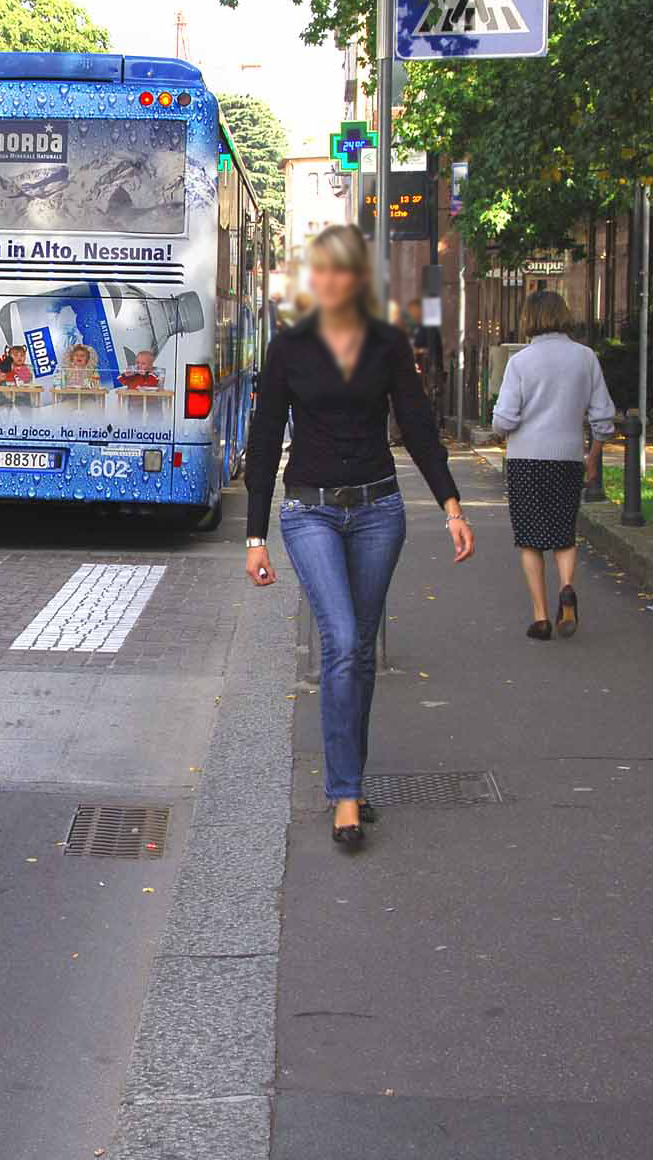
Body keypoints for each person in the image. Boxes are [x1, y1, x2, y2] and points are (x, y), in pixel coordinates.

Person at [245, 225, 475, 849]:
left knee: (361, 651)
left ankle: (354, 781)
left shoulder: (387, 344)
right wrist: (254, 536)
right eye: (323, 271)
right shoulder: (290, 347)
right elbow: (265, 439)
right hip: (309, 512)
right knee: (342, 640)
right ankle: (345, 794)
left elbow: (420, 425)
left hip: (378, 511)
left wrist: (452, 504)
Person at [491, 289, 617, 640]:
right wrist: (592, 457)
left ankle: (541, 616)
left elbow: (504, 419)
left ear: (529, 319)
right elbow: (603, 416)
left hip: (527, 460)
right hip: (567, 457)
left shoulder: (520, 361)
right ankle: (566, 587)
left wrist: (499, 430)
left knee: (529, 540)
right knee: (564, 534)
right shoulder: (586, 358)